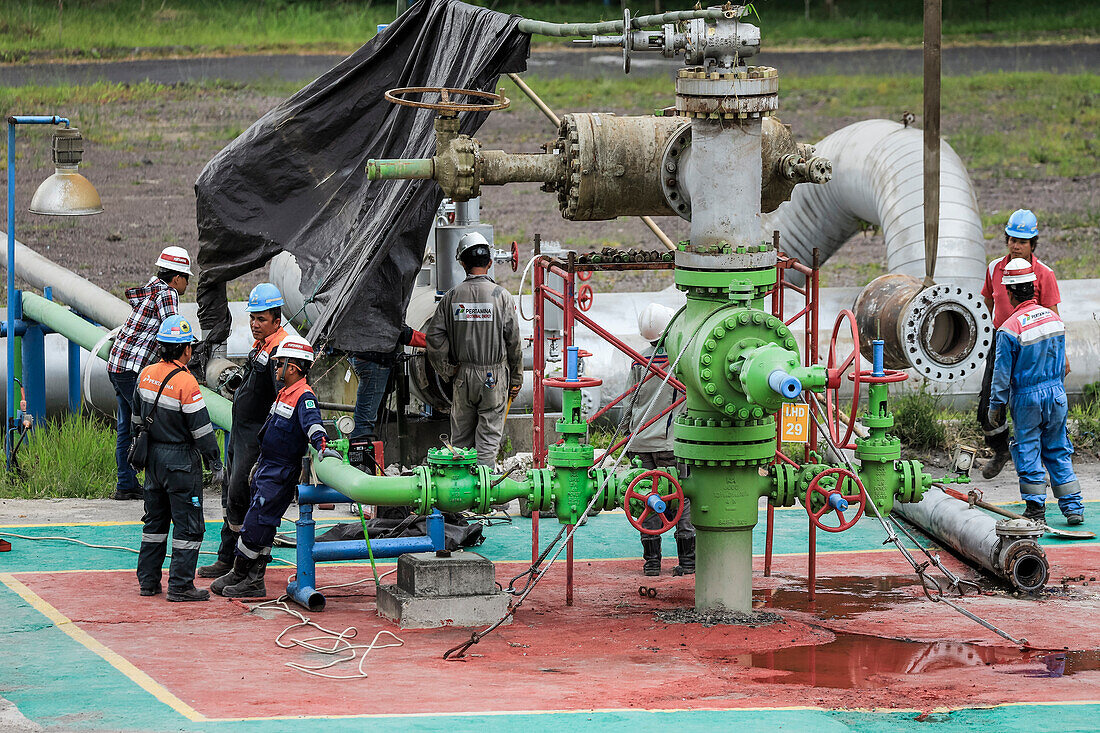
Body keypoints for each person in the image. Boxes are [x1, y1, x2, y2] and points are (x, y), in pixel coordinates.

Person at [211, 336, 340, 598]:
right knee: (261, 524)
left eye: (280, 364)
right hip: (267, 468)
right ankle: (247, 576)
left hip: (280, 473)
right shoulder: (284, 394)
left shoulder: (303, 397)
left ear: (293, 368)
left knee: (256, 523)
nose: (277, 368)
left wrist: (322, 445)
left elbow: (314, 424)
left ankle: (246, 575)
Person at [198, 283, 289, 579]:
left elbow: (281, 401)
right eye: (252, 318)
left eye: (261, 319)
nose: (254, 324)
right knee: (230, 495)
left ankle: (242, 566)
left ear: (277, 320)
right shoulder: (261, 346)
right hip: (239, 434)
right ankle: (227, 558)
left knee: (242, 495)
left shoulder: (280, 352)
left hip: (255, 439)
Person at [134, 316, 224, 601]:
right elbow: (202, 430)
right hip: (181, 461)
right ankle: (181, 586)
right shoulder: (187, 382)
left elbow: (137, 418)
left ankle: (148, 583)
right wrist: (214, 460)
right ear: (185, 349)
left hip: (153, 459)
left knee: (155, 524)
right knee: (188, 525)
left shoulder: (145, 374)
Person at [988, 258, 1082, 526]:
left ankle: (1035, 509)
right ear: (1033, 287)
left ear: (1009, 292)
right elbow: (1063, 364)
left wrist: (996, 406)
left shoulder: (1009, 329)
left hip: (1028, 397)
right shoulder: (1054, 320)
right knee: (1058, 447)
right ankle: (1073, 508)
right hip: (1056, 394)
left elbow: (1001, 375)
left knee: (1028, 447)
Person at [426, 232, 522, 467]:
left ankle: (460, 497)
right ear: (490, 263)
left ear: (461, 263)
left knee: (460, 441)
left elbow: (434, 338)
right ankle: (485, 496)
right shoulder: (502, 297)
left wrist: (448, 370)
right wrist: (517, 378)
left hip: (462, 377)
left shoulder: (451, 298)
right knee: (488, 440)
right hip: (493, 378)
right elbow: (514, 342)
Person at [979, 209, 1062, 479]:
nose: (1015, 246)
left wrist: (1062, 356)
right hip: (1002, 342)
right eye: (1012, 239)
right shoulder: (994, 268)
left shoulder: (1044, 273)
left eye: (1022, 242)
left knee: (1030, 403)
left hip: (1032, 347)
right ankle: (1001, 449)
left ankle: (1037, 460)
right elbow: (988, 302)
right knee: (988, 406)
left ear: (1032, 244)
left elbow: (1053, 316)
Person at [107, 246, 192, 500]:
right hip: (133, 369)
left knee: (126, 426)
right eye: (187, 277)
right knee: (147, 426)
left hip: (116, 364)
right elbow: (173, 330)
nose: (188, 283)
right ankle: (156, 484)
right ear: (176, 278)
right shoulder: (168, 293)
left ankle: (126, 484)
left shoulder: (152, 286)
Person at [625, 304, 694, 576]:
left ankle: (652, 563)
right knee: (682, 496)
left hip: (642, 441)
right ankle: (687, 561)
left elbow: (628, 402)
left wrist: (627, 438)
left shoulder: (638, 361)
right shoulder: (681, 361)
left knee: (647, 497)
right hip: (670, 442)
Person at [348, 324, 426, 441]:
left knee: (369, 410)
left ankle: (362, 449)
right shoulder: (382, 310)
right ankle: (361, 453)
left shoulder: (365, 310)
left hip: (365, 356)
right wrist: (431, 341)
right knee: (365, 419)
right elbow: (400, 332)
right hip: (374, 359)